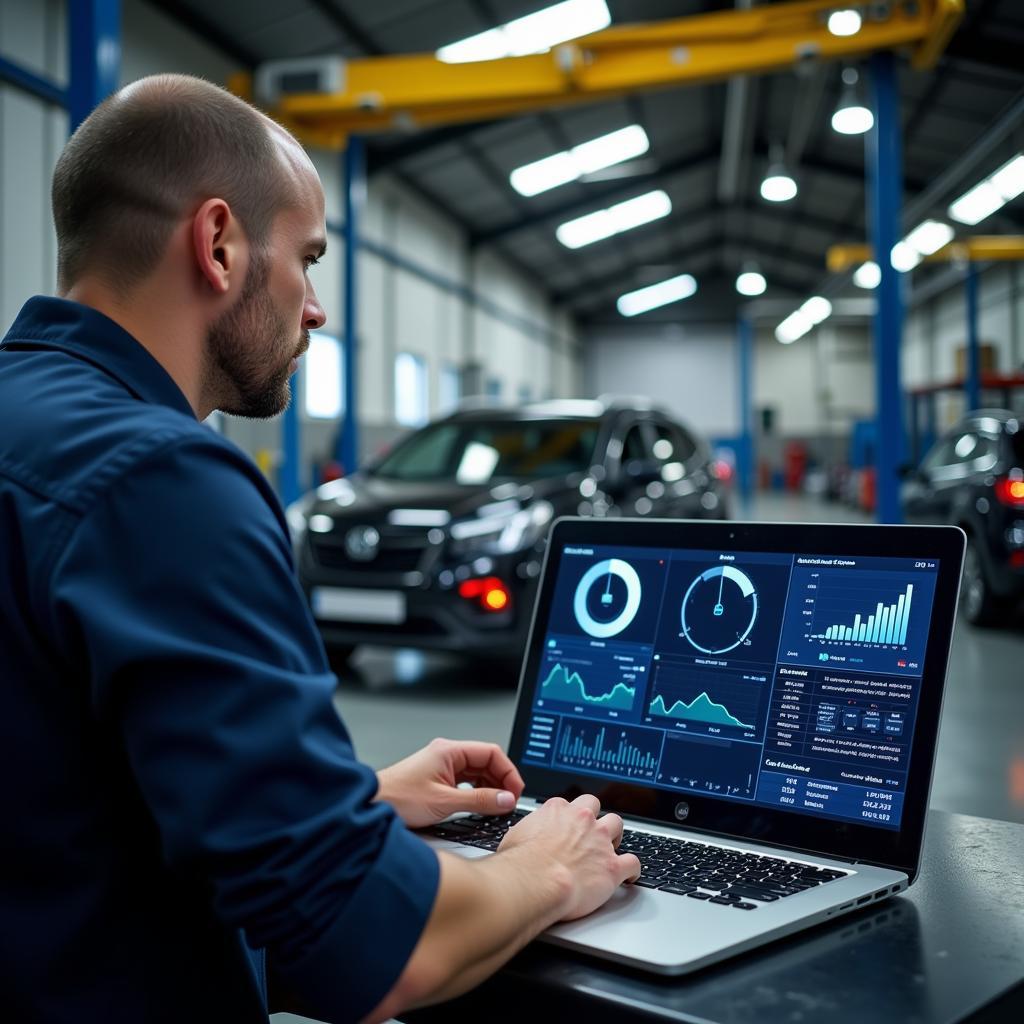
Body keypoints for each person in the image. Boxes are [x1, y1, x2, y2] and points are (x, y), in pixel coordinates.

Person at [0, 75, 639, 1023]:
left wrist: (354, 804)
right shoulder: (163, 479)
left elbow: (58, 791)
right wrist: (544, 870)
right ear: (217, 244)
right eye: (307, 259)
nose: (316, 309)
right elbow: (360, 943)